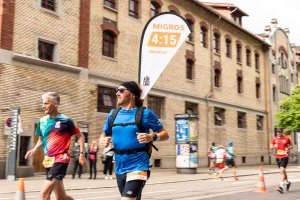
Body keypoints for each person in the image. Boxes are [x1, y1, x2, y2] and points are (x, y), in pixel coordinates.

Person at [100, 81, 169, 200]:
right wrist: (102, 140)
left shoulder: (145, 114)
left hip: (139, 165)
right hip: (119, 166)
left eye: (121, 90)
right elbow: (104, 134)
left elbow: (165, 134)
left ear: (132, 95)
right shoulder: (113, 114)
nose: (117, 93)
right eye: (116, 90)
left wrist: (152, 137)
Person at [25, 92, 86, 200]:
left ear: (56, 104)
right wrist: (34, 149)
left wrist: (82, 154)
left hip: (60, 159)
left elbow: (80, 136)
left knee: (44, 194)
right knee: (61, 197)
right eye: (42, 103)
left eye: (46, 103)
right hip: (49, 160)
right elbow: (41, 139)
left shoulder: (66, 120)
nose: (43, 106)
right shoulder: (42, 121)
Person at [271, 128, 293, 193]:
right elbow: (270, 147)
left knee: (282, 171)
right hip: (278, 157)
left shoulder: (286, 139)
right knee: (283, 171)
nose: (279, 133)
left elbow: (291, 146)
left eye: (280, 132)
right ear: (276, 132)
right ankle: (287, 182)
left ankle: (281, 187)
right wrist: (274, 146)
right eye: (278, 132)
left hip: (285, 156)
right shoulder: (274, 139)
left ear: (282, 132)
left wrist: (288, 148)